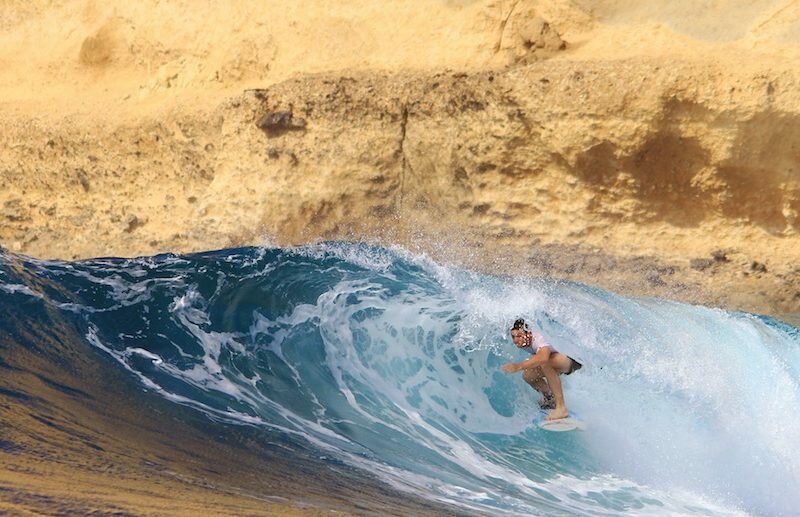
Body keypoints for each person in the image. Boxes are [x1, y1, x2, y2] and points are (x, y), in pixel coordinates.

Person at [501, 318, 582, 420]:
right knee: (528, 376)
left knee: (544, 362)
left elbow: (543, 357)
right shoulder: (525, 341)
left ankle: (561, 408)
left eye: (519, 336)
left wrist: (517, 366)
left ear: (529, 333)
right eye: (513, 336)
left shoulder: (537, 337)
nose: (516, 340)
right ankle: (550, 398)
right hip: (558, 360)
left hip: (573, 360)